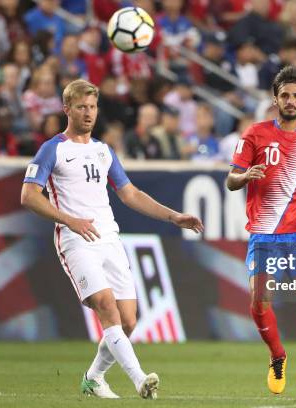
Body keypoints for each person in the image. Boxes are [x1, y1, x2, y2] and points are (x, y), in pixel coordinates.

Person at [20, 79, 203, 400]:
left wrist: (174, 216)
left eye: (92, 106)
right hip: (75, 240)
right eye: (81, 107)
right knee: (107, 307)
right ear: (67, 109)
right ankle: (140, 379)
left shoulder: (103, 151)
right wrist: (70, 220)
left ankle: (93, 378)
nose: (88, 113)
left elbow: (130, 193)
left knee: (129, 321)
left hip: (109, 239)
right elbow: (29, 196)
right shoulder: (54, 149)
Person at [227, 65, 296, 398]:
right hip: (265, 234)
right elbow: (231, 179)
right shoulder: (254, 135)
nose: (290, 101)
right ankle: (277, 356)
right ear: (275, 99)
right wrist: (244, 178)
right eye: (284, 95)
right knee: (259, 304)